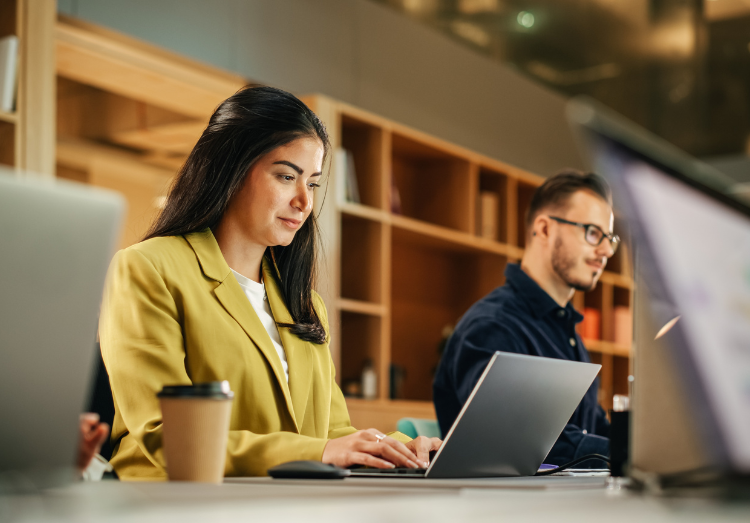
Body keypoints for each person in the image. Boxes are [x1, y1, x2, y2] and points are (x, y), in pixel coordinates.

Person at [99, 86, 440, 480]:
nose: (304, 201)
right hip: (178, 504)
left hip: (284, 502)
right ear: (230, 169)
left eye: (311, 182)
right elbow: (167, 436)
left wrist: (400, 448)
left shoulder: (302, 303)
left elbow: (332, 434)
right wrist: (325, 450)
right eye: (285, 176)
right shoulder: (147, 269)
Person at [433, 170, 618, 466]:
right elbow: (519, 438)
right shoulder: (492, 325)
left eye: (609, 238)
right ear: (544, 229)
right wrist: (626, 455)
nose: (607, 250)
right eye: (593, 233)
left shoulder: (567, 332)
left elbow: (592, 428)